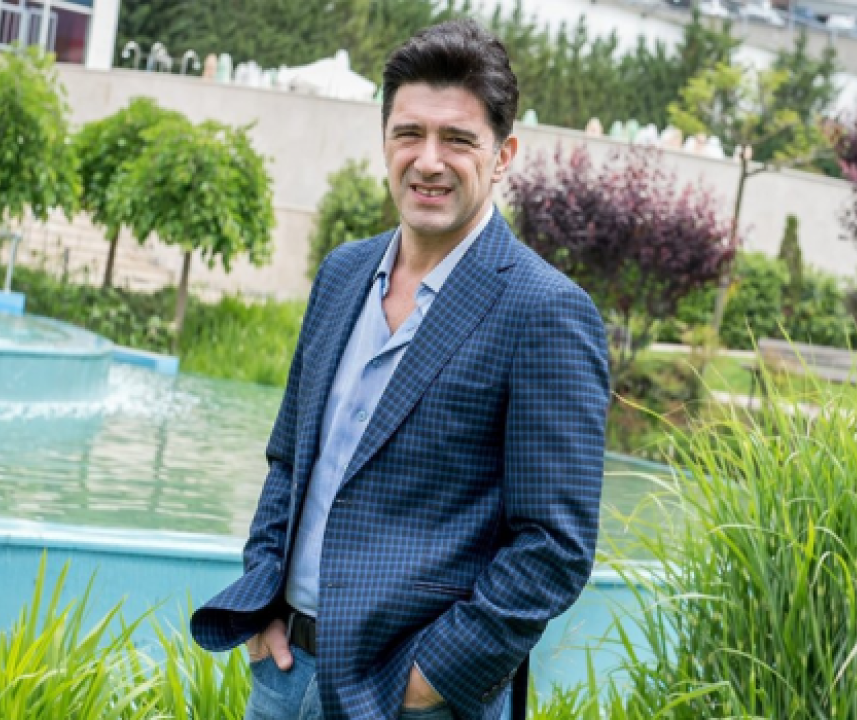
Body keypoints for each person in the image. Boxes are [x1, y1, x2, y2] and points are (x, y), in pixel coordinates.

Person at [191, 19, 610, 720]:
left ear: (503, 155)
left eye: (458, 140)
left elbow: (554, 547)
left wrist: (431, 679)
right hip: (285, 676)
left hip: (413, 702)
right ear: (384, 139)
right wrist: (264, 599)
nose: (428, 160)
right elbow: (289, 461)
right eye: (409, 133)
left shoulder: (545, 312)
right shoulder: (342, 274)